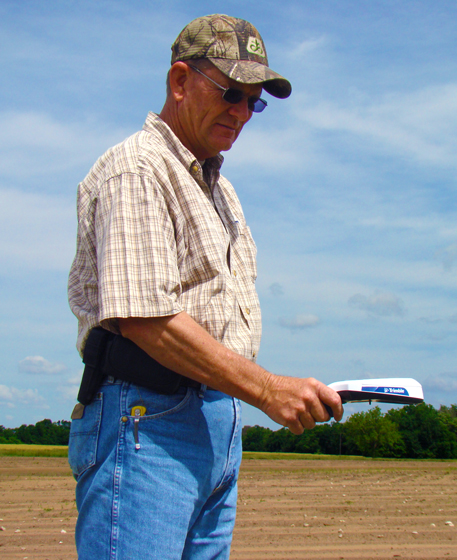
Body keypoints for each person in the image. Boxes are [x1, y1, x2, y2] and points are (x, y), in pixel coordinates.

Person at [67, 13, 343, 560]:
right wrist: (267, 390)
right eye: (231, 93)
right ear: (179, 81)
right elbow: (145, 320)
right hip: (147, 423)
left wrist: (246, 399)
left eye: (254, 102)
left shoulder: (223, 190)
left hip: (218, 422)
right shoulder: (138, 169)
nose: (242, 113)